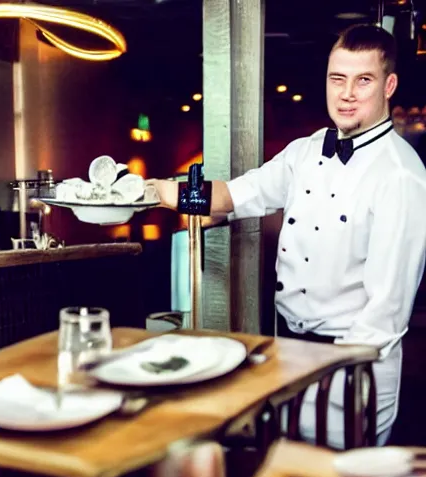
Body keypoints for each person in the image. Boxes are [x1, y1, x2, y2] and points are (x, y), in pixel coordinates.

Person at [150, 24, 426, 448]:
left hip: (352, 373)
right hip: (288, 354)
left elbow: (385, 314)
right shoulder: (305, 150)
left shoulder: (402, 175)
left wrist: (325, 374)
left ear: (389, 85)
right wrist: (152, 192)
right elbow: (235, 196)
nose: (347, 93)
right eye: (338, 79)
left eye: (363, 80)